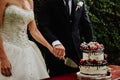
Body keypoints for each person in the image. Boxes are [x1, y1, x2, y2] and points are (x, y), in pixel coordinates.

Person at [0, 0, 65, 80]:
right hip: (6, 49)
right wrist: (3, 58)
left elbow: (34, 30)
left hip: (28, 51)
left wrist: (51, 48)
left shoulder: (30, 1)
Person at [36, 0, 94, 77]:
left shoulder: (80, 1)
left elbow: (86, 25)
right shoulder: (47, 1)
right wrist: (55, 42)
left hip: (77, 54)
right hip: (57, 55)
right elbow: (43, 26)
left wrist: (92, 46)